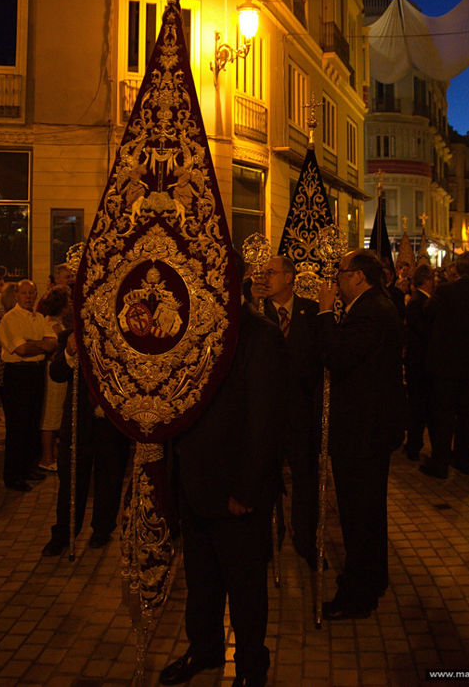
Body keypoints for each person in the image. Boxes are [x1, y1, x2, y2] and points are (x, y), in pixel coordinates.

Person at [159, 255, 287, 687]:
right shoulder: (193, 333)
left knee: (246, 587)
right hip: (194, 481)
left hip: (236, 489)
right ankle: (205, 649)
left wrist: (247, 490)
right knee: (201, 581)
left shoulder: (260, 336)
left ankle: (251, 665)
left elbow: (265, 419)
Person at [317, 249, 404, 620]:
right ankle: (373, 577)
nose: (335, 278)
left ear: (358, 277)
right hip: (368, 427)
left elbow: (337, 356)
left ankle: (359, 593)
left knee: (359, 514)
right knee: (368, 511)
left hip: (364, 431)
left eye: (340, 272)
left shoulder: (371, 310)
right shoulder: (375, 305)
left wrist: (323, 312)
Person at [252, 255, 322, 569]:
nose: (265, 278)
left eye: (271, 272)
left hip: (301, 413)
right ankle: (268, 540)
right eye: (262, 272)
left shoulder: (311, 311)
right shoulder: (255, 311)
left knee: (305, 478)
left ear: (290, 277)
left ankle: (306, 539)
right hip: (266, 414)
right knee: (266, 476)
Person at [42, 329, 130, 554]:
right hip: (79, 419)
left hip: (110, 419)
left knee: (109, 475)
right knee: (71, 478)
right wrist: (70, 352)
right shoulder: (71, 334)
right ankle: (64, 532)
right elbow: (57, 372)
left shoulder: (121, 333)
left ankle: (102, 528)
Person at [421, 251, 469, 479]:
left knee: (442, 415)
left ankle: (440, 462)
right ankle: (464, 460)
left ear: (457, 270)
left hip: (445, 365)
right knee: (468, 416)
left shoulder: (444, 292)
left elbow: (427, 316)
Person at [0, 280, 57, 491]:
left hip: (36, 372)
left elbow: (52, 342)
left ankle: (28, 468)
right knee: (17, 426)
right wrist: (40, 345)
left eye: (32, 293)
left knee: (33, 422)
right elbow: (20, 350)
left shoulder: (39, 317)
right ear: (16, 296)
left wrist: (34, 344)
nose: (28, 297)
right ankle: (13, 475)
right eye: (24, 293)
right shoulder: (9, 319)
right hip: (18, 375)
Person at [403, 263, 435, 461]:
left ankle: (414, 442)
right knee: (418, 404)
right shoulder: (419, 302)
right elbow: (423, 332)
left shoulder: (420, 301)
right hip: (420, 362)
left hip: (419, 361)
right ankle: (414, 444)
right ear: (427, 280)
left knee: (418, 403)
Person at [38, 287, 72, 472]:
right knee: (50, 415)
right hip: (52, 377)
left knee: (57, 412)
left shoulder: (58, 323)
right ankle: (46, 457)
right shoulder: (51, 325)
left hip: (58, 374)